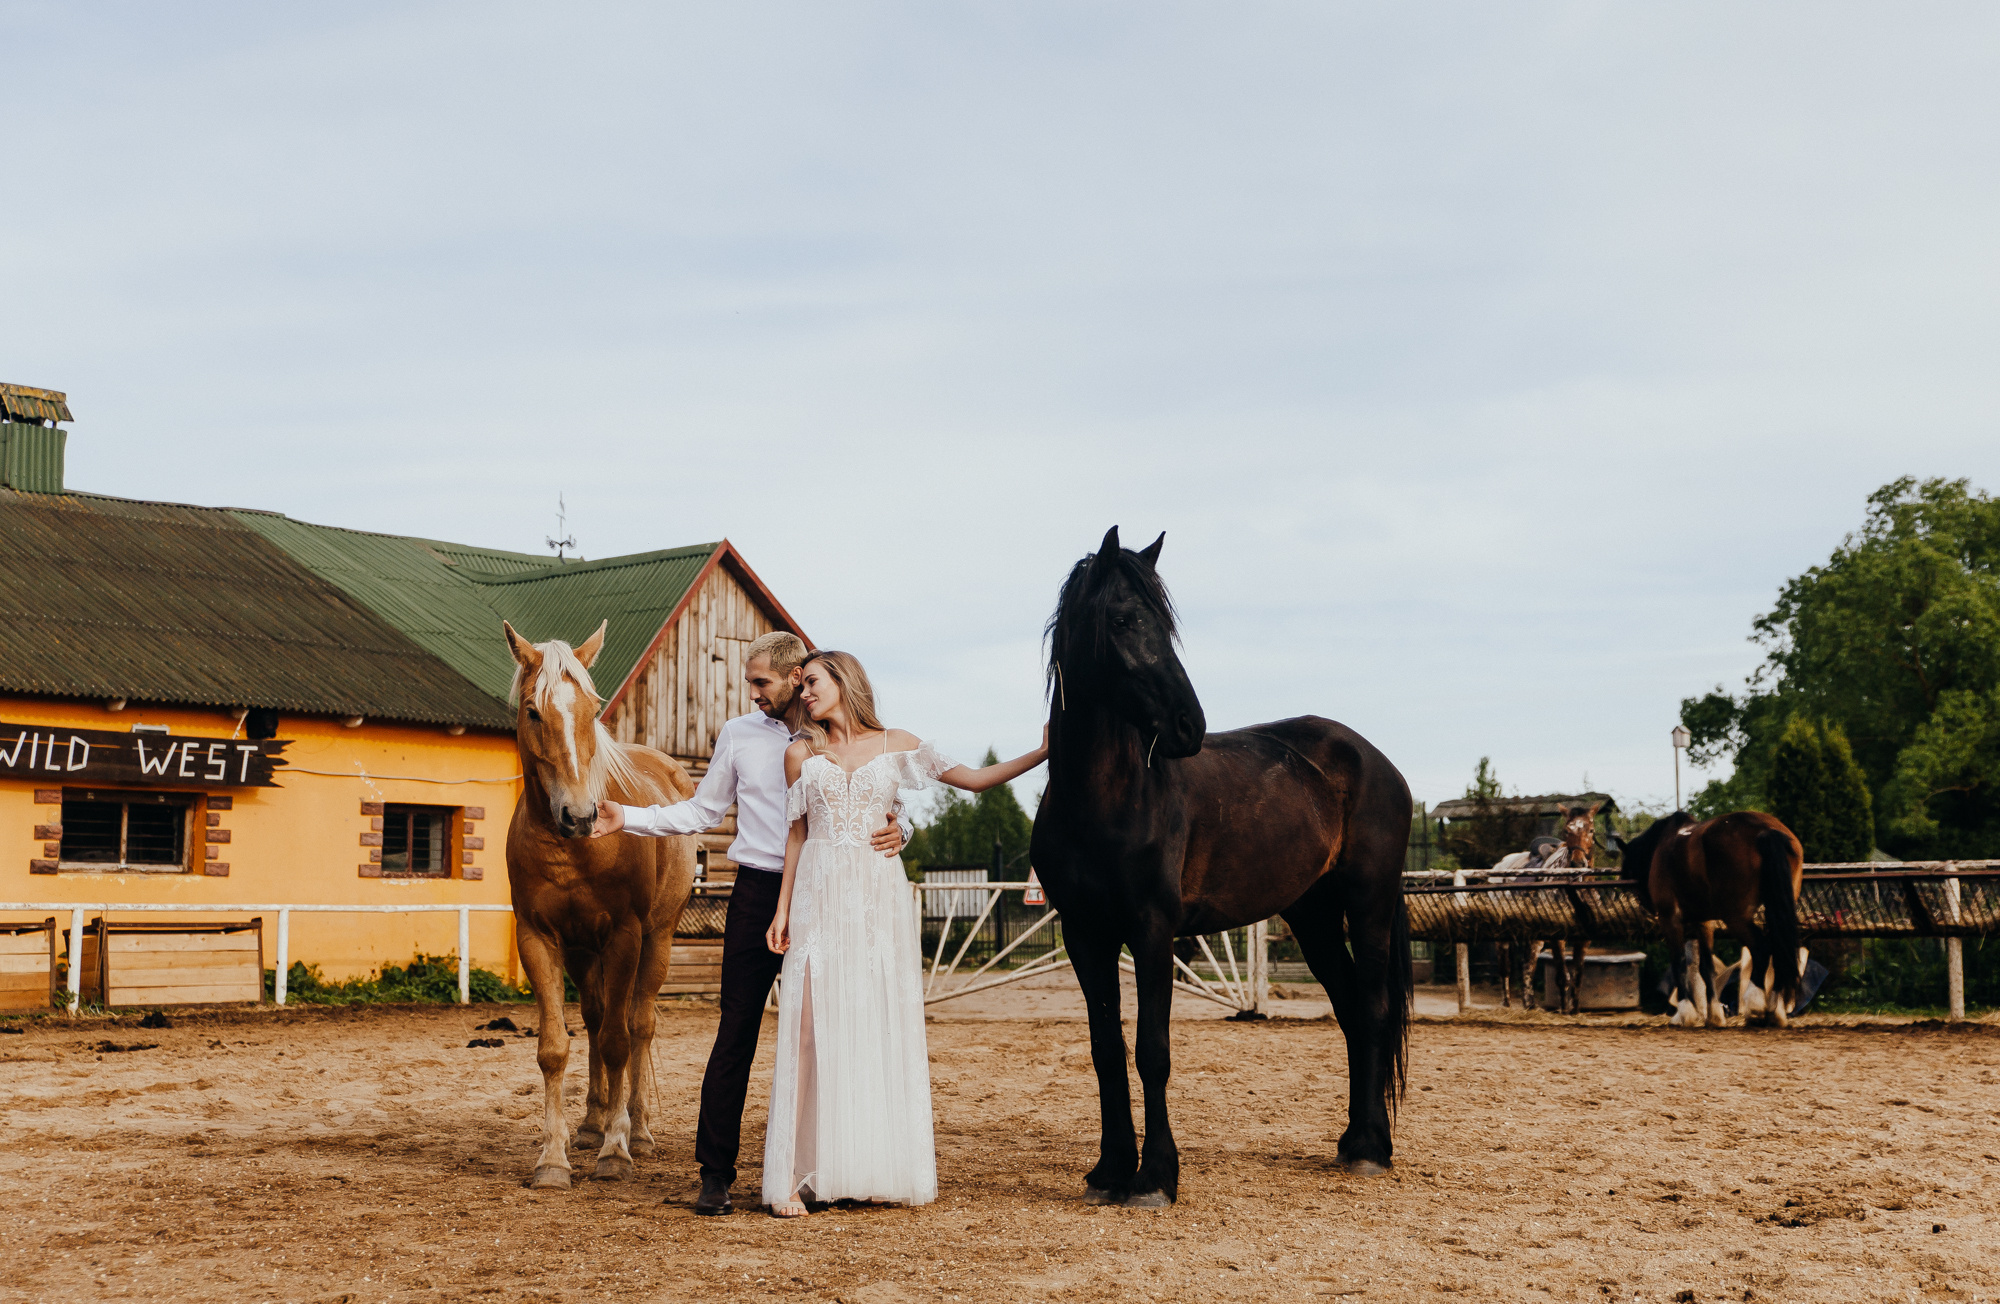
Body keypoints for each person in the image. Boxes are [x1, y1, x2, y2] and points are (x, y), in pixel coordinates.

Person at [591, 631, 906, 1217]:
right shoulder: (739, 735)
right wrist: (627, 816)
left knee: (835, 1032)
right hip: (761, 893)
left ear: (794, 677)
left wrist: (903, 829)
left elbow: (886, 801)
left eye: (761, 681)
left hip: (831, 897)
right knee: (735, 1033)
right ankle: (714, 1175)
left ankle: (829, 1171)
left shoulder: (839, 737)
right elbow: (702, 810)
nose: (753, 693)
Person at [762, 649, 1046, 1218]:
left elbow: (975, 782)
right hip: (819, 894)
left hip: (876, 898)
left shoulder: (899, 743)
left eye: (812, 682)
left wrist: (1042, 752)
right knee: (807, 1031)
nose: (804, 694)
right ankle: (792, 1177)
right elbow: (796, 834)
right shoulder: (799, 753)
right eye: (801, 686)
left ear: (843, 680)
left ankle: (870, 1168)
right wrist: (782, 909)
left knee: (873, 1021)